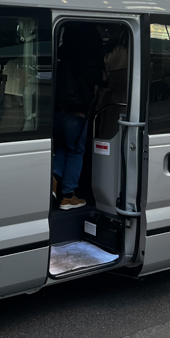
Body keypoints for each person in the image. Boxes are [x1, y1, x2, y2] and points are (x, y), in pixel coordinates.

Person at [52, 24, 105, 211]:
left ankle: (54, 177)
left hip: (57, 110)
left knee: (63, 146)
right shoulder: (88, 55)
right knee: (76, 151)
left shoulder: (59, 51)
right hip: (77, 109)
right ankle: (68, 195)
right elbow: (96, 81)